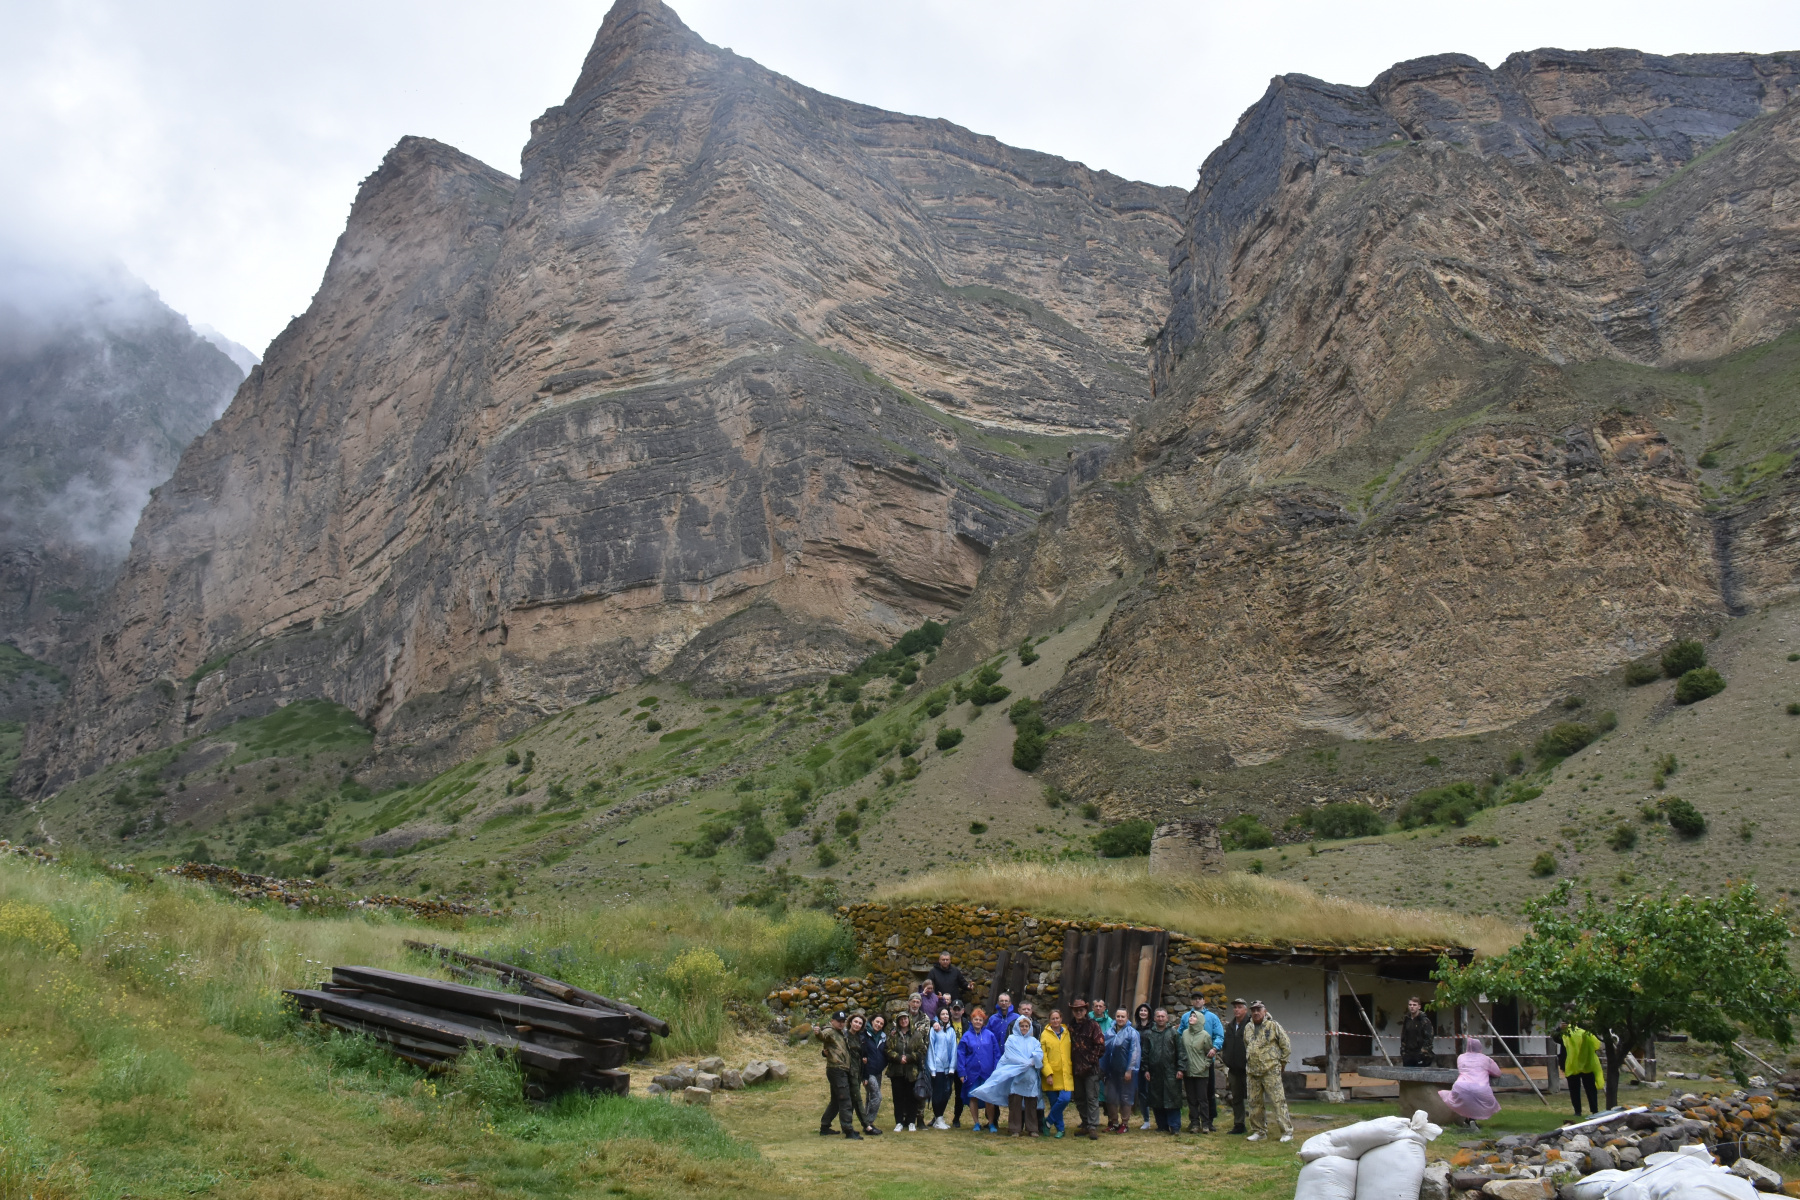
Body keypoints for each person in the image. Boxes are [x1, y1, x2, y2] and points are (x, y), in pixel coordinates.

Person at [969, 1016, 1045, 1136]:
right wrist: (1025, 1062)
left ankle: (1032, 1128)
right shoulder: (1011, 1039)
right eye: (1022, 1026)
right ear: (1017, 1027)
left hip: (1030, 1076)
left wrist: (1032, 1061)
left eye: (1026, 1026)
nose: (1024, 1028)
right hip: (1016, 1075)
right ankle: (1015, 1128)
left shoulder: (1034, 1041)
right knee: (1015, 1102)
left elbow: (1039, 1053)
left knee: (1031, 1103)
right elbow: (1011, 1055)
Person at [1243, 1000, 1293, 1143]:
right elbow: (1247, 1045)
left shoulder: (1273, 1026)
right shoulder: (1248, 1027)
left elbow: (1286, 1045)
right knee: (1254, 1103)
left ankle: (1287, 1132)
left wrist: (1281, 1063)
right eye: (1253, 1010)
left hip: (1270, 1070)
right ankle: (1259, 1131)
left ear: (1265, 1011)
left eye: (1259, 1009)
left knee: (1278, 1102)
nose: (1256, 1012)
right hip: (1252, 1072)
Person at [1178, 991, 1223, 1132]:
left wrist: (1215, 1048)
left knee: (1207, 1093)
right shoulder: (1186, 1017)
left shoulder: (1212, 1017)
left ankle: (1208, 1121)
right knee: (1192, 1095)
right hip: (1190, 1062)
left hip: (1205, 1062)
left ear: (1204, 1001)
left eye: (1199, 999)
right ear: (1192, 1002)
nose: (1197, 1001)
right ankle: (1194, 1122)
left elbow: (1219, 1035)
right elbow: (1180, 1035)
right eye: (1194, 999)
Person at [818, 1010, 864, 1139]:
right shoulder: (830, 1031)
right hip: (836, 1069)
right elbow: (822, 1036)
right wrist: (817, 1032)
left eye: (843, 1021)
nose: (841, 1023)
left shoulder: (841, 1033)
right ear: (832, 1021)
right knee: (845, 1100)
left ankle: (825, 1127)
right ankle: (848, 1130)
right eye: (839, 1021)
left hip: (841, 1068)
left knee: (836, 1101)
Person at [1439, 1036, 1502, 1129]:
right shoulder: (1486, 1059)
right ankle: (1471, 1121)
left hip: (1460, 1086)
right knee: (1477, 1099)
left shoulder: (1461, 1057)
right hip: (1480, 1087)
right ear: (1480, 1047)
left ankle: (1468, 1121)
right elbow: (1497, 1073)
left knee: (1467, 1099)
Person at [957, 1005, 1002, 1131]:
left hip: (988, 1073)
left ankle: (991, 1122)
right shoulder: (966, 1036)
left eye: (980, 1020)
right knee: (973, 1097)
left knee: (989, 1098)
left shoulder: (990, 1035)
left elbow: (996, 1053)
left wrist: (996, 1071)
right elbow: (960, 1055)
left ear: (983, 1022)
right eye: (975, 1019)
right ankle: (976, 1122)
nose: (978, 1022)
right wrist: (962, 1072)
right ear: (972, 1020)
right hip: (972, 1073)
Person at [1139, 1007, 1184, 1134]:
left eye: (1162, 1016)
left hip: (1171, 1072)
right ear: (1154, 1018)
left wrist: (1181, 1068)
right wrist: (1146, 1069)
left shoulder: (1173, 1033)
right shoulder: (1149, 1034)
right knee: (1156, 1099)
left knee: (1173, 1099)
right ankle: (1162, 1125)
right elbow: (1145, 1054)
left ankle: (1175, 1126)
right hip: (1154, 1073)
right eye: (1158, 1016)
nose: (1160, 1019)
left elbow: (1181, 1052)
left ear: (1167, 1018)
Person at [1069, 998, 1106, 1141]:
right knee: (1079, 1098)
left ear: (1085, 1011)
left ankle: (1092, 1126)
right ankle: (1085, 1123)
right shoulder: (1070, 1027)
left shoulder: (1093, 1025)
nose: (1078, 1012)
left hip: (1091, 1070)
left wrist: (1090, 1062)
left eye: (1081, 1010)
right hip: (1076, 1069)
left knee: (1092, 1098)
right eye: (1076, 1010)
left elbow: (1100, 1047)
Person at [1102, 1006, 1140, 1133]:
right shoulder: (1109, 1032)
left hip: (1125, 1072)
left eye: (1122, 1016)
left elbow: (1134, 1052)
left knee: (1125, 1098)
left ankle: (1125, 1123)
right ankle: (1114, 1122)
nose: (1120, 1019)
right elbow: (1104, 1051)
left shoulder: (1132, 1033)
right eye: (1118, 1016)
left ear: (1127, 1017)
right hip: (1111, 1071)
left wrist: (1130, 1070)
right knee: (1111, 1097)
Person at [887, 1010, 924, 1132]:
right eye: (901, 1019)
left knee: (911, 1097)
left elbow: (922, 1050)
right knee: (898, 1097)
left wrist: (908, 1058)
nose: (904, 1021)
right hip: (896, 1071)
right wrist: (898, 1058)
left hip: (911, 1071)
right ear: (898, 1021)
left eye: (905, 1019)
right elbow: (887, 1050)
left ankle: (911, 1121)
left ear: (909, 1020)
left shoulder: (916, 1035)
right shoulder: (893, 1035)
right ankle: (899, 1122)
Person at [1039, 1008, 1074, 1138]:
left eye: (1057, 1018)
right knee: (1054, 1102)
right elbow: (1043, 1056)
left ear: (1061, 1019)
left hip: (1066, 1073)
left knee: (1065, 1099)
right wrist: (1048, 1074)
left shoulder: (1067, 1033)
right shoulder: (1045, 1035)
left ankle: (1047, 1122)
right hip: (1051, 1075)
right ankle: (1061, 1129)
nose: (1055, 1021)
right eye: (1053, 1018)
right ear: (1049, 1020)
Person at [1559, 1020, 1603, 1118]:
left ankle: (1594, 1110)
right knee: (1574, 1088)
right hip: (1571, 1063)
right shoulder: (1564, 1030)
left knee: (1590, 1087)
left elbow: (1595, 1040)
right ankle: (1577, 1111)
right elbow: (1557, 1039)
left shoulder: (1585, 1026)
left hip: (1587, 1062)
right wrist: (1560, 1030)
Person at [1221, 997, 1250, 1135]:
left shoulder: (1250, 1024)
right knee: (1236, 1097)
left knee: (1254, 1097)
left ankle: (1260, 1124)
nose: (1236, 1010)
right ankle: (1239, 1124)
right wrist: (1225, 1057)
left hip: (1248, 1068)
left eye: (1239, 1007)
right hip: (1233, 1068)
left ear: (1245, 1009)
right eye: (1235, 1007)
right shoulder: (1231, 1026)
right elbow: (1226, 1044)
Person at [927, 1006, 959, 1128]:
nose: (945, 1016)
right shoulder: (934, 1030)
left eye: (947, 1014)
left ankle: (939, 1117)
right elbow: (931, 1049)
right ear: (938, 1016)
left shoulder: (951, 1030)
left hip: (948, 1068)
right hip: (937, 1067)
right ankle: (938, 1118)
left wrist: (952, 1067)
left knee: (947, 1092)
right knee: (937, 1094)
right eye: (942, 1014)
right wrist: (932, 1068)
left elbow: (953, 1050)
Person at [860, 1013, 888, 1134]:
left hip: (878, 1071)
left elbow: (885, 1053)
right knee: (877, 1096)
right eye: (877, 1022)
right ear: (872, 1021)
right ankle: (869, 1123)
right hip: (867, 1071)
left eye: (881, 1023)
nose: (878, 1025)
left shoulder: (883, 1036)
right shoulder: (864, 1034)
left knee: (870, 1097)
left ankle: (866, 1124)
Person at [947, 1000, 971, 1127]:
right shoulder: (944, 1022)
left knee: (959, 1092)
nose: (956, 1012)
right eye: (954, 1009)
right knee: (944, 1091)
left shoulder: (967, 1024)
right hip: (947, 1061)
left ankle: (957, 1117)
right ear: (950, 1009)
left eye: (958, 1009)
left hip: (962, 1062)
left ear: (963, 1011)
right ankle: (937, 1116)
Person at [1133, 1003, 1155, 1129]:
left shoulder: (1153, 1028)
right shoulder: (1135, 1029)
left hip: (1151, 1063)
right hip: (1139, 1063)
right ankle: (1146, 1119)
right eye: (1141, 1010)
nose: (1143, 1012)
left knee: (1153, 1091)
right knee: (1142, 1092)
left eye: (1145, 1010)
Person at [1400, 997, 1436, 1068]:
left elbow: (1429, 1038)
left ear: (1419, 1006)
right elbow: (1403, 1036)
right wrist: (1403, 1051)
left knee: (1420, 1077)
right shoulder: (1407, 1020)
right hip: (1408, 1054)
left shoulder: (1424, 1021)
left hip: (1420, 1055)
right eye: (1410, 1005)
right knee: (1407, 1077)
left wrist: (1423, 1052)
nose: (1412, 1007)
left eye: (1414, 1005)